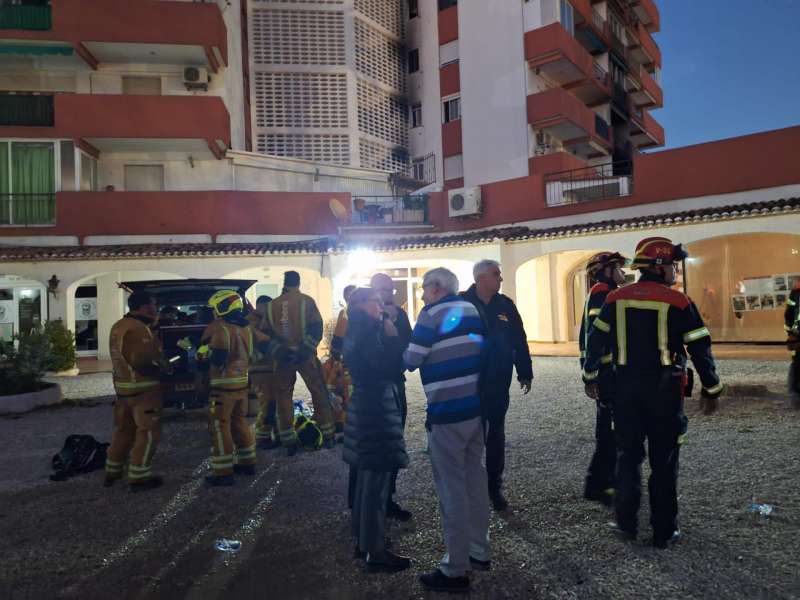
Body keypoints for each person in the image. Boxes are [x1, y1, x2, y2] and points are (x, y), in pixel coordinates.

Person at [583, 237, 724, 549]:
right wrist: (712, 388)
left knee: (628, 456)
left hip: (625, 390)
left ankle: (626, 523)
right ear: (660, 267)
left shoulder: (615, 298)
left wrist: (590, 377)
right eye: (672, 265)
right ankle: (664, 530)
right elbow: (699, 346)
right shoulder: (679, 301)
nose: (675, 270)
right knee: (664, 461)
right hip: (665, 392)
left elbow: (595, 340)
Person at [404, 268, 489, 594]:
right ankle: (479, 551)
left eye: (424, 289)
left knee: (450, 488)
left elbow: (411, 359)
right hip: (473, 406)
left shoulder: (431, 314)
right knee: (474, 479)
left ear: (437, 288)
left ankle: (455, 568)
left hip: (447, 412)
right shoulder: (470, 309)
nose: (422, 294)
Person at [342, 287, 411, 573]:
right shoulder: (369, 331)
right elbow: (387, 366)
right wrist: (394, 339)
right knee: (376, 481)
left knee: (366, 478)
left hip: (365, 407)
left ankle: (363, 541)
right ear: (362, 304)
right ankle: (375, 550)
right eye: (377, 301)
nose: (382, 306)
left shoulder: (354, 328)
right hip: (376, 410)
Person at [460, 259, 532, 511]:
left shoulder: (506, 305)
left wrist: (525, 371)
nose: (500, 279)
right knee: (468, 435)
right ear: (480, 278)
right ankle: (469, 489)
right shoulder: (461, 303)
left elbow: (519, 339)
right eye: (495, 274)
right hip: (468, 382)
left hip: (498, 382)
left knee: (496, 434)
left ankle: (494, 487)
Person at [198, 290, 270, 486]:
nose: (213, 313)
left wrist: (202, 354)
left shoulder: (221, 329)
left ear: (222, 307)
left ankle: (223, 472)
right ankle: (248, 463)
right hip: (241, 385)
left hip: (222, 387)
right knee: (239, 423)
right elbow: (266, 344)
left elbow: (218, 360)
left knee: (220, 427)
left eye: (215, 309)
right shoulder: (246, 328)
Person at [263, 271, 336, 455]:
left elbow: (265, 335)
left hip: (283, 360)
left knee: (284, 396)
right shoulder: (307, 301)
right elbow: (316, 327)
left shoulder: (272, 306)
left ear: (284, 282)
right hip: (306, 357)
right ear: (298, 283)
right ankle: (328, 435)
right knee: (318, 391)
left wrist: (282, 353)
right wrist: (303, 351)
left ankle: (288, 441)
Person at [578, 252, 628, 507]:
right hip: (607, 375)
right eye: (618, 268)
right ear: (606, 271)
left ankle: (601, 483)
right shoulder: (602, 293)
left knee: (610, 433)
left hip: (607, 374)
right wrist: (591, 375)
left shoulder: (604, 292)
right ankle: (599, 485)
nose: (623, 272)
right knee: (608, 434)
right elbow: (597, 337)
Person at [105, 292, 166, 492]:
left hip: (123, 391)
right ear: (145, 306)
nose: (156, 308)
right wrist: (163, 369)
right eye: (154, 304)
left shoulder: (119, 325)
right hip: (143, 391)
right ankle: (139, 477)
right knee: (147, 433)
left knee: (124, 431)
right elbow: (143, 361)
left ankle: (112, 471)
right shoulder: (138, 329)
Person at [370, 272, 414, 521]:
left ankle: (388, 496)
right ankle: (374, 500)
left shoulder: (401, 315)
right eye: (383, 290)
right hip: (376, 387)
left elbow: (408, 344)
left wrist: (396, 325)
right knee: (379, 443)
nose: (388, 294)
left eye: (390, 290)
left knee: (396, 439)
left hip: (397, 383)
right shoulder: (367, 316)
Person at [248, 295, 282, 450]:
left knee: (276, 403)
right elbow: (257, 345)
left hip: (273, 369)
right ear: (260, 306)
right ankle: (262, 437)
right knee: (267, 404)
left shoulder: (270, 321)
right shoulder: (251, 322)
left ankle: (279, 434)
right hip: (260, 370)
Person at [328, 284, 356, 434]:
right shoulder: (370, 312)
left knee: (345, 392)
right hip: (360, 363)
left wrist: (334, 356)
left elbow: (337, 339)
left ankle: (344, 423)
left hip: (349, 362)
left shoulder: (345, 313)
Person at [785, 284, 800, 407]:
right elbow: (789, 314)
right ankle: (795, 397)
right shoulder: (796, 291)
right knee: (797, 365)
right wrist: (790, 334)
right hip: (798, 336)